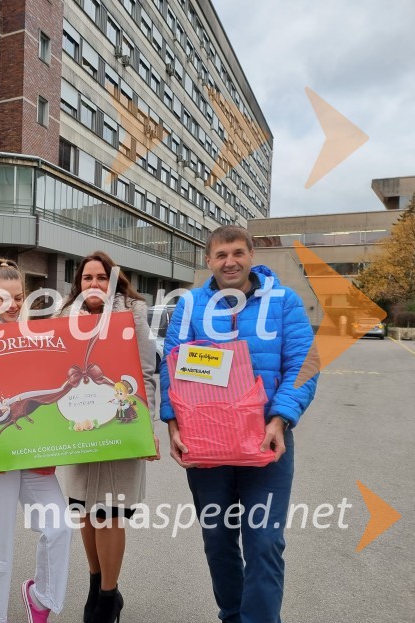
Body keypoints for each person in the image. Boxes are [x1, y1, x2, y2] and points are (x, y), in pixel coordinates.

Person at [159, 225, 318, 623]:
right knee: (218, 539)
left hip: (266, 442)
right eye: (220, 255)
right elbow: (171, 366)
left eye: (237, 253)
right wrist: (173, 423)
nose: (229, 261)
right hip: (207, 445)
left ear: (251, 255)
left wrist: (281, 419)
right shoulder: (191, 305)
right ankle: (233, 616)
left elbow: (303, 365)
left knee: (264, 541)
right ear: (208, 260)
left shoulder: (284, 302)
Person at [57, 251, 159, 623]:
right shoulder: (63, 318)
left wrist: (147, 430)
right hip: (79, 427)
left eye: (101, 277)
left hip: (120, 423)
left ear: (114, 281)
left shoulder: (132, 313)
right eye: (87, 279)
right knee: (84, 511)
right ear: (78, 284)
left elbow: (147, 372)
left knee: (109, 513)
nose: (94, 284)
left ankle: (107, 597)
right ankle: (94, 584)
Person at [0, 258, 72, 623]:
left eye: (19, 297)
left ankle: (40, 597)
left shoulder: (38, 336)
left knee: (59, 525)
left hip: (32, 456)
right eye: (4, 297)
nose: (13, 305)